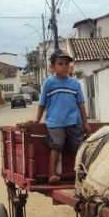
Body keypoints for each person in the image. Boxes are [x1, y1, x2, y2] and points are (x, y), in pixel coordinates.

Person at [34, 50, 91, 184]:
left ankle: (81, 172)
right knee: (57, 145)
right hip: (55, 123)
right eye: (60, 64)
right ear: (52, 67)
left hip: (73, 121)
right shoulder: (49, 83)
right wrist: (37, 119)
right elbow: (42, 103)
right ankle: (52, 174)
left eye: (67, 64)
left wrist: (85, 122)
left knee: (78, 146)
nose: (64, 66)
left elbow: (81, 104)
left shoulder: (75, 84)